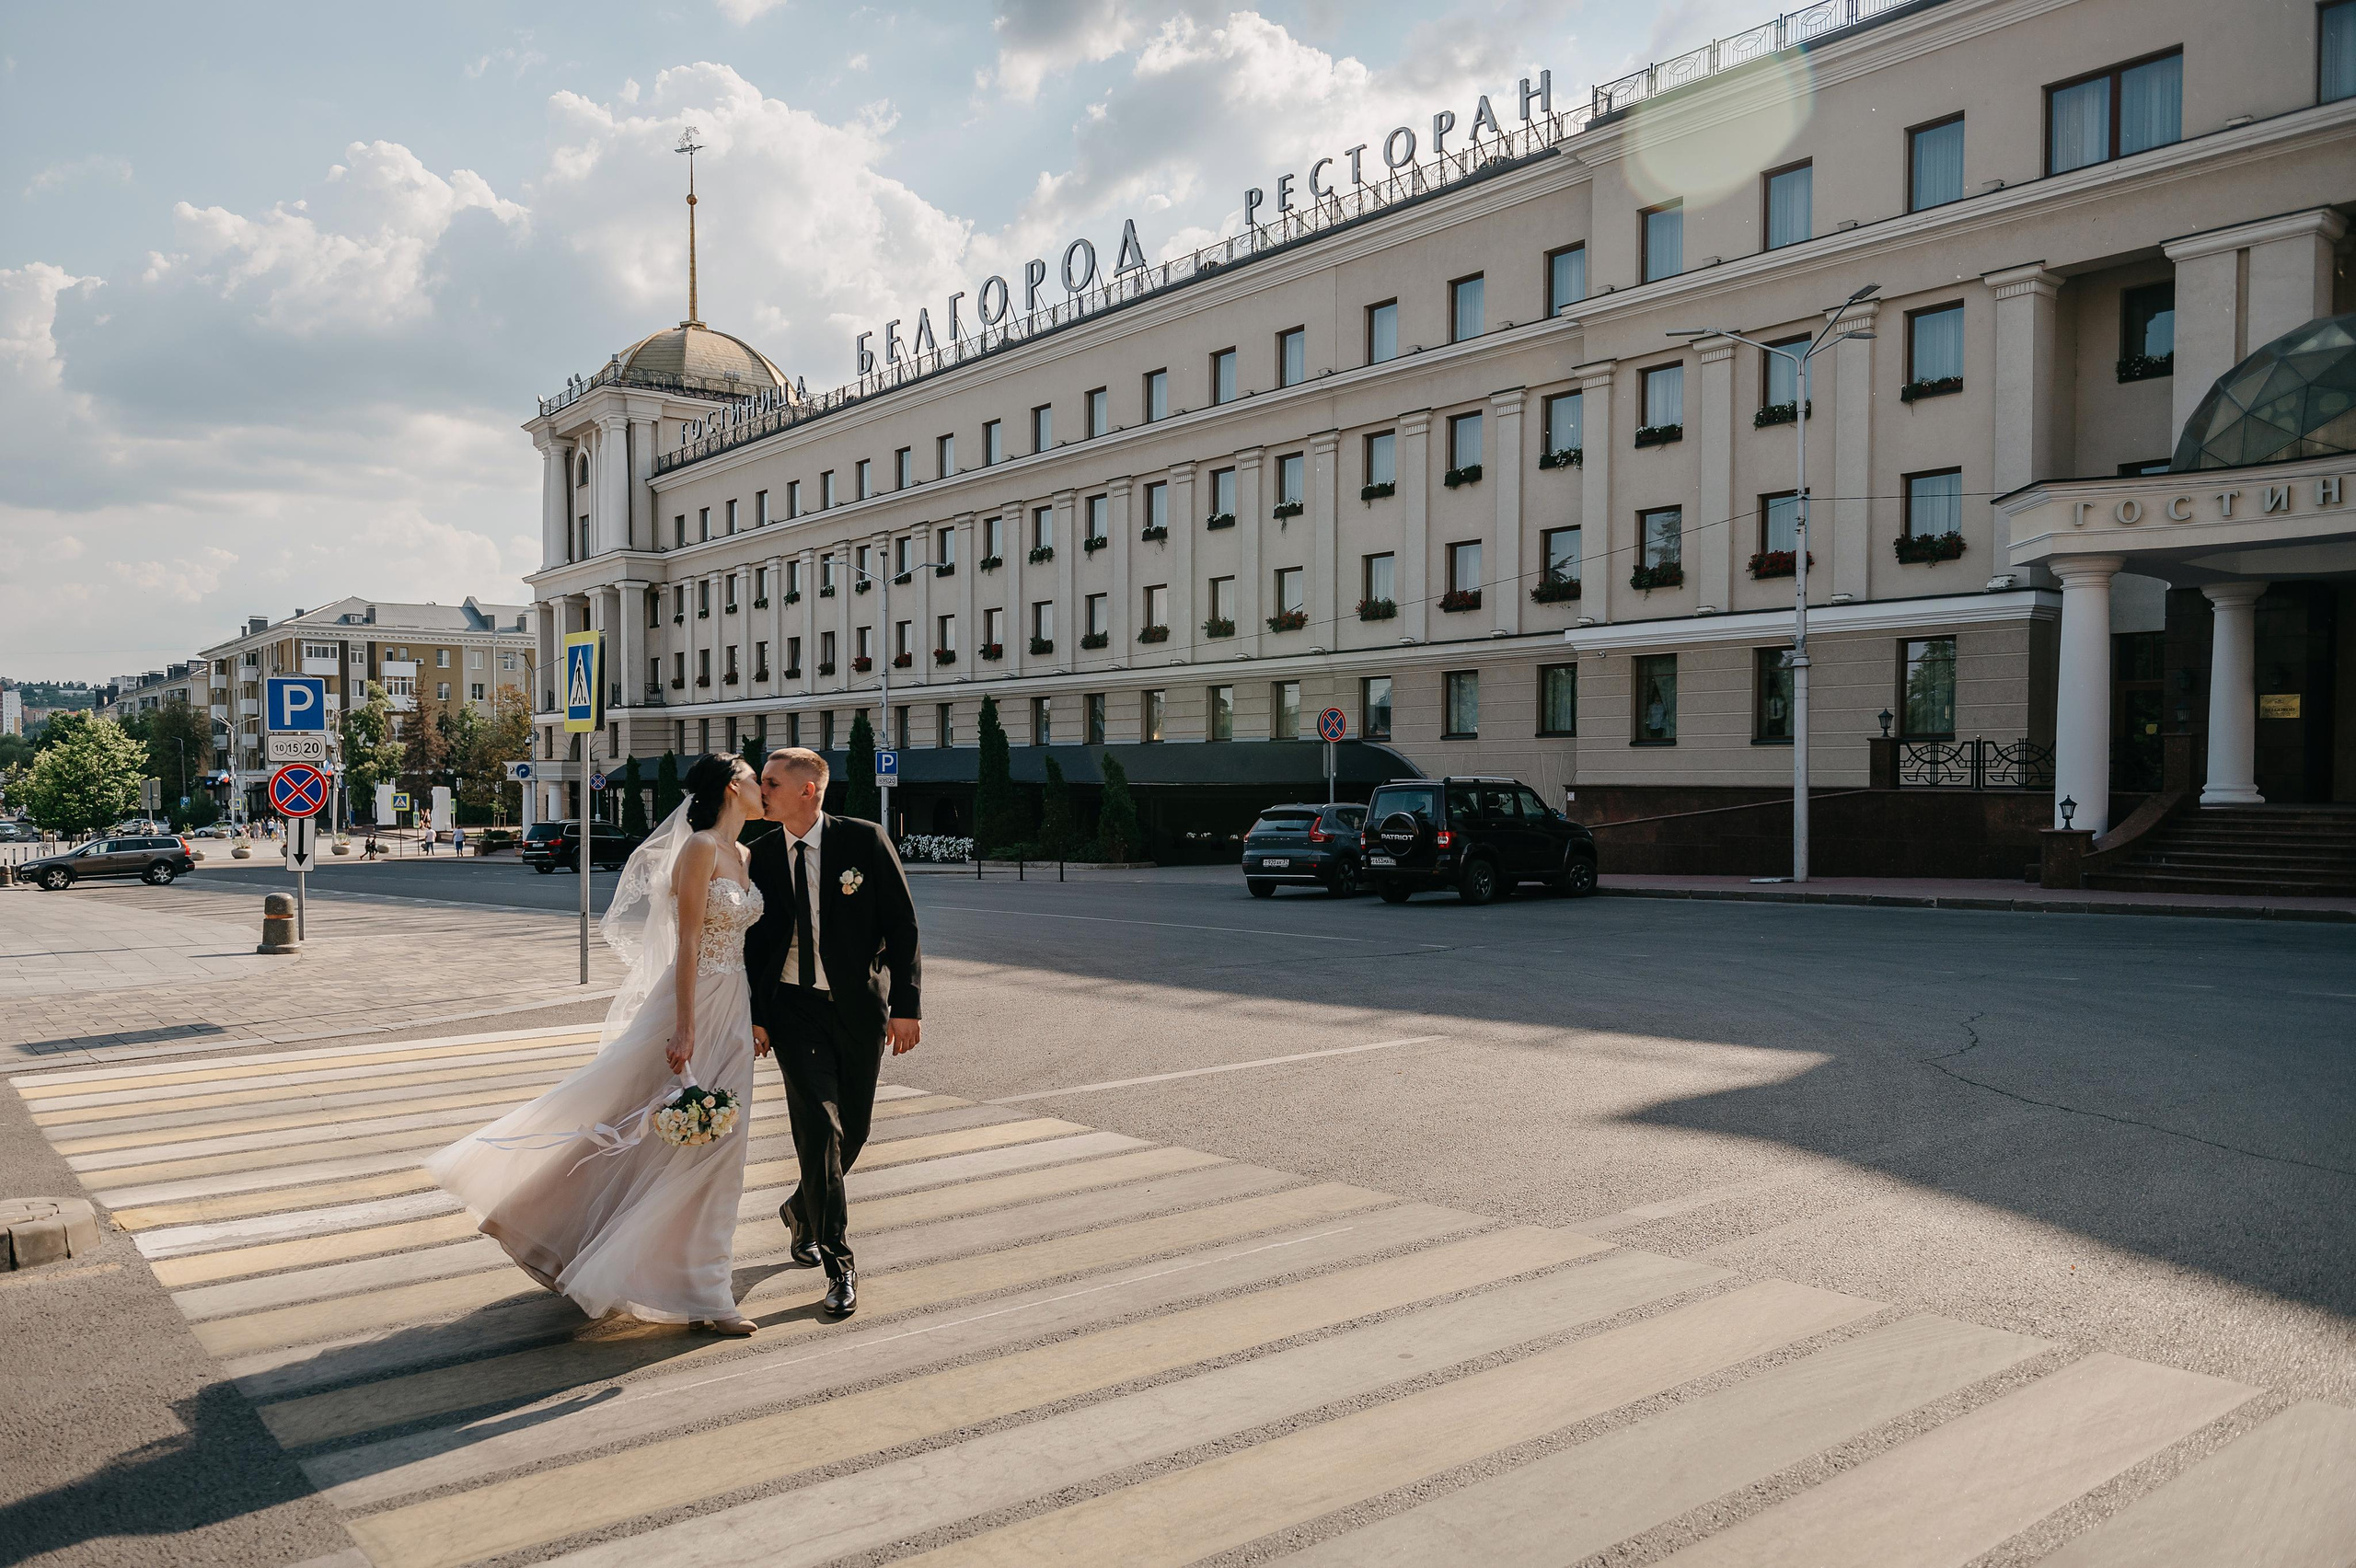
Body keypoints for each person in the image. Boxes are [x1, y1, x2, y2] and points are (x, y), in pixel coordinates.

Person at [424, 754, 770, 1334]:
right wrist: (683, 1027)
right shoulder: (701, 849)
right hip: (691, 1003)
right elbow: (687, 944)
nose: (764, 787)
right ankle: (543, 1220)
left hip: (734, 1006)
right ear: (735, 788)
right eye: (756, 778)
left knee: (719, 1148)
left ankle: (697, 1283)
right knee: (638, 1123)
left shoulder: (745, 854)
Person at [745, 746, 920, 1319]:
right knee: (820, 1128)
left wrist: (906, 1004)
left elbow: (902, 926)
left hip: (857, 1010)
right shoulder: (762, 856)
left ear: (807, 790)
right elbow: (751, 947)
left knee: (856, 1129)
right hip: (792, 1011)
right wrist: (757, 1015)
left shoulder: (862, 841)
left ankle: (802, 1207)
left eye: (770, 782)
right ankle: (837, 1262)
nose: (760, 789)